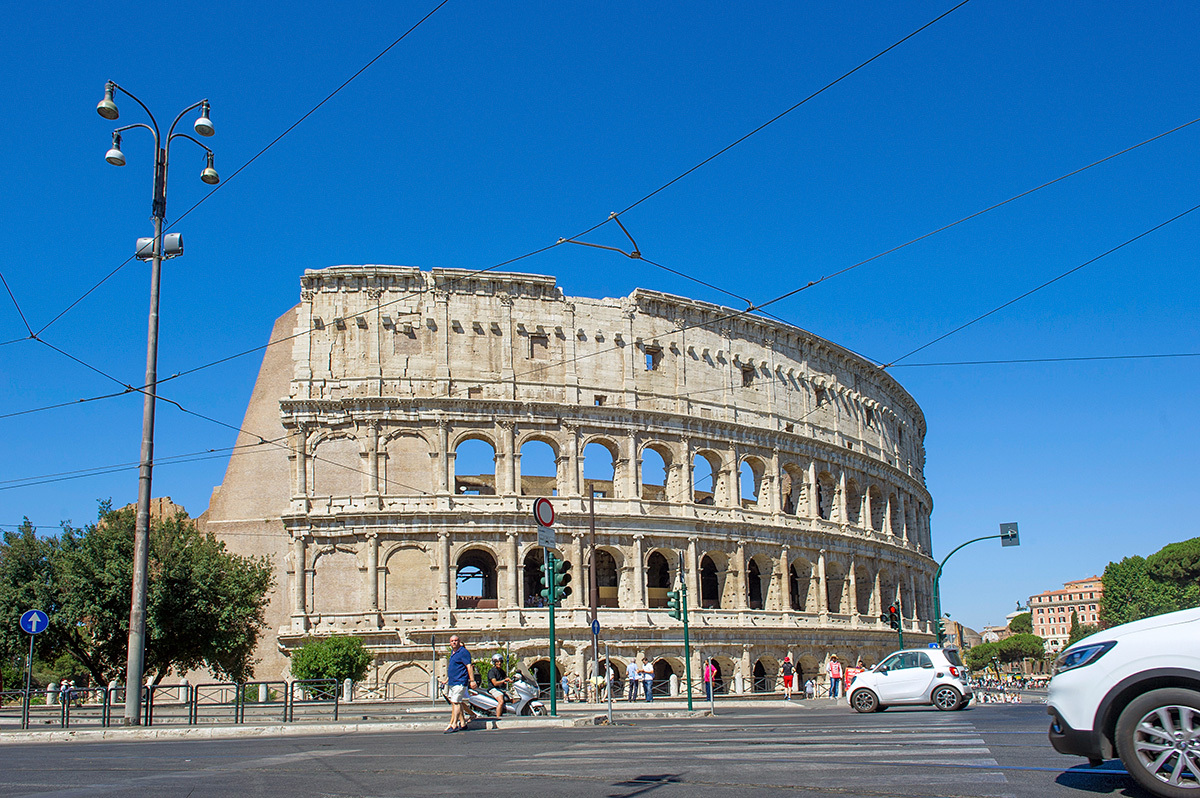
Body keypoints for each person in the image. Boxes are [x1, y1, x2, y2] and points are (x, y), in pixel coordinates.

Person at [445, 635, 476, 733]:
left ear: (459, 641)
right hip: (453, 682)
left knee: (456, 702)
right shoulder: (453, 652)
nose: (454, 642)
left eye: (455, 641)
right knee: (455, 702)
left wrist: (472, 680)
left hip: (460, 681)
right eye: (452, 641)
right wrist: (446, 680)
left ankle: (453, 724)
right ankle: (462, 723)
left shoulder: (463, 652)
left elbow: (469, 666)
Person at [487, 653, 510, 718]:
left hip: (501, 689)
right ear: (494, 662)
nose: (499, 663)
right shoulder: (492, 671)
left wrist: (512, 680)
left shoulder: (502, 671)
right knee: (501, 701)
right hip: (494, 689)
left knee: (512, 698)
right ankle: (498, 717)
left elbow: (506, 678)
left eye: (500, 662)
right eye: (497, 662)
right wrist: (503, 681)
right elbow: (495, 683)